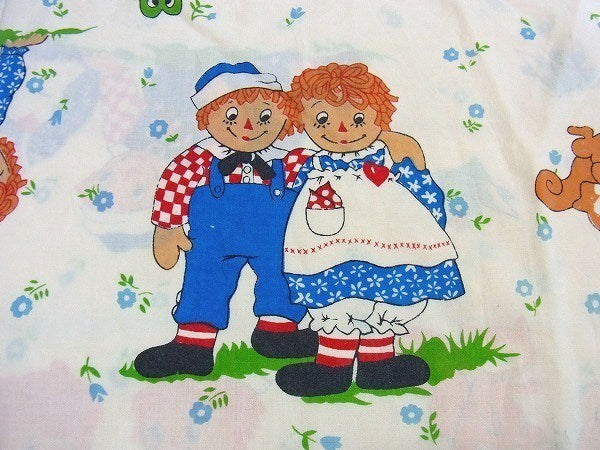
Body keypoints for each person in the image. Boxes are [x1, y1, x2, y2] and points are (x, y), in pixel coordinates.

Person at [275, 62, 465, 396]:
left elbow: (424, 196)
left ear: (380, 117)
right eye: (323, 119)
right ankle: (332, 367)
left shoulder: (391, 160)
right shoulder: (306, 164)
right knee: (336, 302)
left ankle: (378, 365)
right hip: (326, 251)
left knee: (386, 298)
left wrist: (420, 180)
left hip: (390, 249)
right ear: (302, 119)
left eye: (359, 118)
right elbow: (280, 198)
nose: (342, 128)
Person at [133, 62, 318, 378]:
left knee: (283, 276)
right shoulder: (199, 158)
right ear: (207, 118)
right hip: (214, 237)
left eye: (264, 116)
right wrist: (168, 228)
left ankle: (277, 332)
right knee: (204, 279)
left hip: (275, 238)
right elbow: (175, 183)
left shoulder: (290, 158)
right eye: (231, 116)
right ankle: (193, 346)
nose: (249, 126)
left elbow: (324, 170)